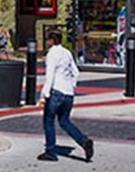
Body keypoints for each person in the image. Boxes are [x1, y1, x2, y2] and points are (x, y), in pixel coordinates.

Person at [37, 29, 93, 162]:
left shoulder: (52, 54)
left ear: (50, 40)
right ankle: (83, 140)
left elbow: (50, 75)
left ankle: (50, 151)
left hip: (56, 91)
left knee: (48, 121)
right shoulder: (67, 53)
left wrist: (44, 95)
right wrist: (71, 86)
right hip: (68, 93)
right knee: (64, 121)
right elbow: (76, 72)